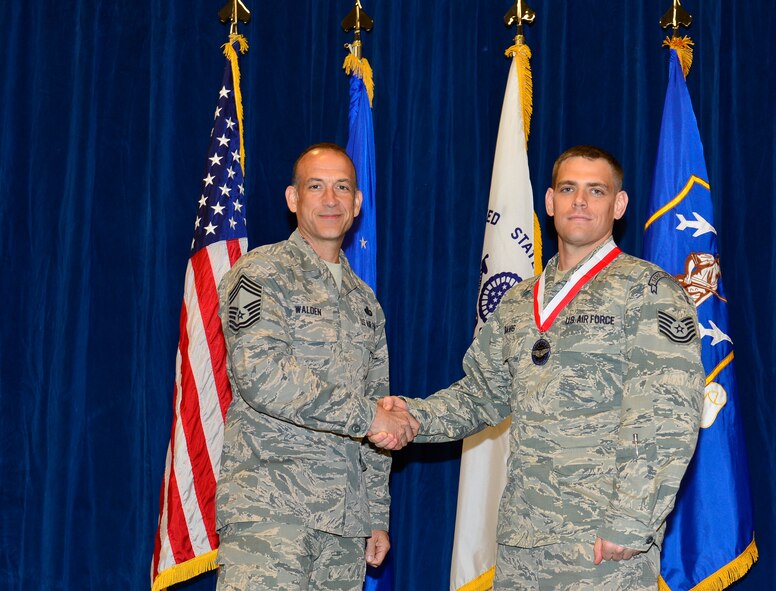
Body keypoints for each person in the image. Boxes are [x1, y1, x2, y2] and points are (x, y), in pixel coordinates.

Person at [373, 146, 705, 590]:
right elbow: (481, 395)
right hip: (521, 542)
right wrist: (413, 417)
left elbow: (668, 414)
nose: (580, 202)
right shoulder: (517, 302)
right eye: (568, 189)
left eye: (596, 190)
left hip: (601, 544)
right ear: (550, 202)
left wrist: (630, 520)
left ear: (618, 205)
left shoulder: (648, 291)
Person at [215, 143, 418, 591]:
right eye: (316, 186)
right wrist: (370, 417)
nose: (330, 200)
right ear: (293, 198)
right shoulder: (259, 274)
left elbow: (378, 403)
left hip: (345, 525)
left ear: (357, 203)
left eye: (342, 187)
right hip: (271, 511)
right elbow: (261, 375)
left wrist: (375, 515)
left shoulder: (367, 303)